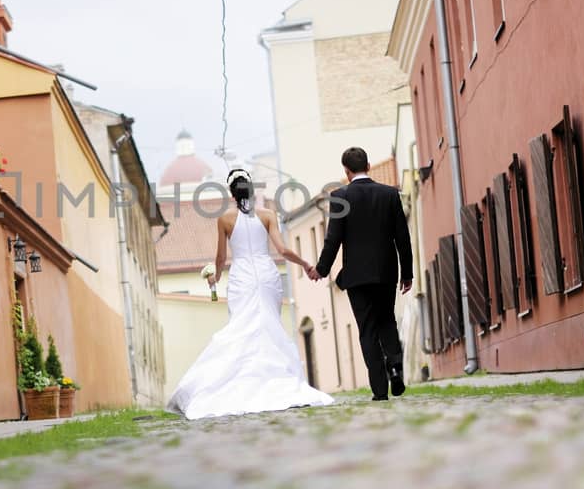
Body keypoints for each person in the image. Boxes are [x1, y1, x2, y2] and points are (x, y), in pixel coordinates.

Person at [166, 170, 335, 420]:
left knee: (242, 326)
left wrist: (215, 278)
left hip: (242, 277)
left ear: (232, 194)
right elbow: (283, 249)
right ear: (252, 191)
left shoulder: (224, 219)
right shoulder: (267, 215)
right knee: (268, 324)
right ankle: (274, 379)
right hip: (267, 275)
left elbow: (221, 258)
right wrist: (305, 264)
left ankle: (239, 380)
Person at [312, 147, 414, 401]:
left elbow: (333, 239)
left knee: (367, 330)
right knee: (387, 321)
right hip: (386, 272)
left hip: (357, 277)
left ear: (346, 171)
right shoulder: (390, 194)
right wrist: (407, 273)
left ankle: (380, 390)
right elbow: (403, 236)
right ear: (368, 166)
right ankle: (395, 368)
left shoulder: (340, 197)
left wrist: (321, 270)